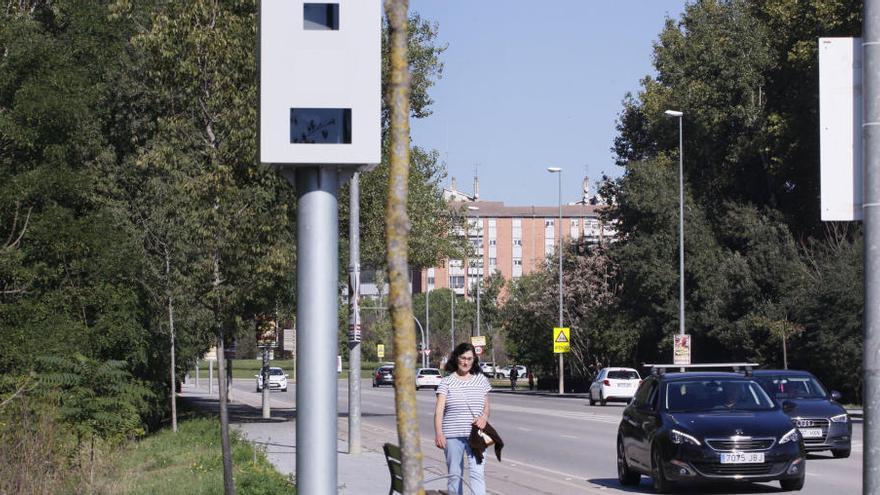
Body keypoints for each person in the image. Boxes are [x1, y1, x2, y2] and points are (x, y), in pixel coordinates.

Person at [435, 343, 491, 495]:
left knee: (477, 474)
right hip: (452, 436)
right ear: (456, 358)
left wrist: (484, 417)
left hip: (476, 435)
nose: (466, 362)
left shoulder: (481, 380)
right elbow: (439, 411)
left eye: (469, 359)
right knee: (454, 475)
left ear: (474, 360)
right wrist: (439, 433)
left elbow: (486, 407)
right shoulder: (446, 382)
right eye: (463, 358)